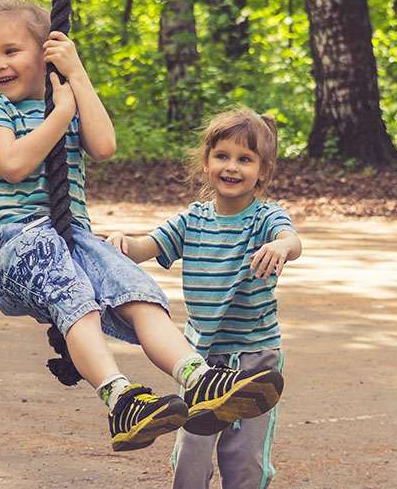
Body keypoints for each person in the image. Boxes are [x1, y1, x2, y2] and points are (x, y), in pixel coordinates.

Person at [0, 0, 284, 453]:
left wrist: (76, 77)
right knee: (77, 301)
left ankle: (200, 379)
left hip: (70, 238)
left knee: (138, 292)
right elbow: (12, 164)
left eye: (11, 51)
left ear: (47, 52)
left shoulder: (65, 98)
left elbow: (105, 145)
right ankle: (120, 397)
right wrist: (61, 115)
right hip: (13, 242)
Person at [105, 108, 301, 488]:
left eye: (245, 159)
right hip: (200, 360)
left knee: (245, 460)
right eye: (222, 156)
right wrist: (121, 243)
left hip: (255, 357)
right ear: (207, 161)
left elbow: (290, 240)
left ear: (263, 170)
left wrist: (282, 248)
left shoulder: (265, 218)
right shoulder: (191, 220)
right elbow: (146, 246)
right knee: (191, 453)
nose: (232, 167)